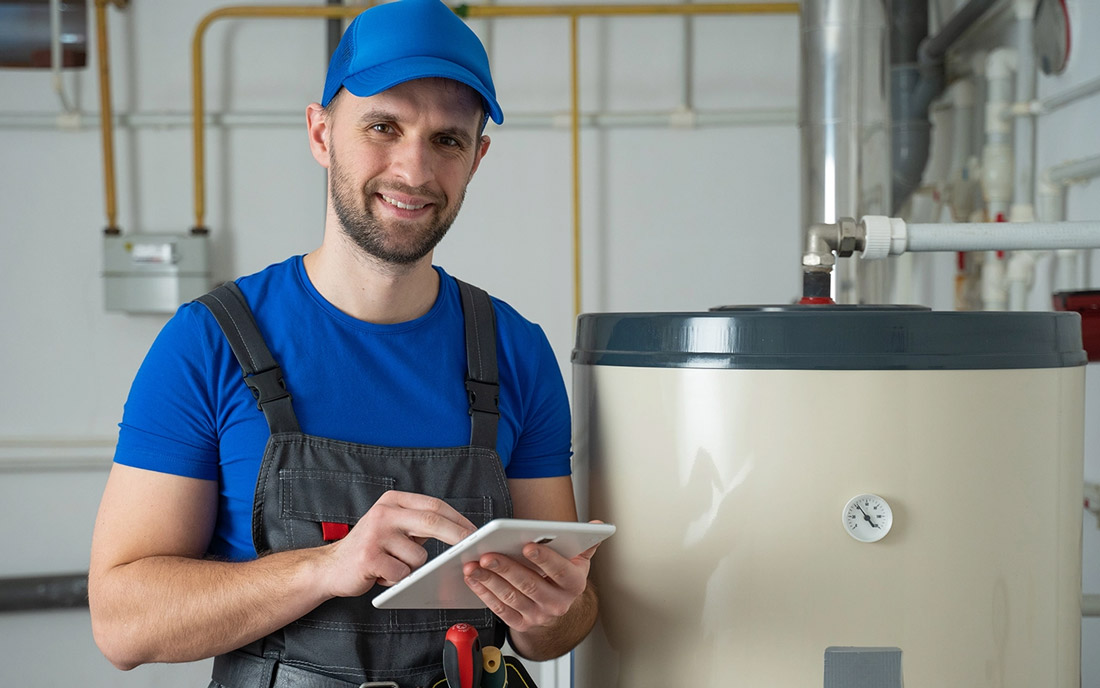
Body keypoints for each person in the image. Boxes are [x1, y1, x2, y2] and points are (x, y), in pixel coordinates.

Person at [88, 1, 600, 686]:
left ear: (476, 159)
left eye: (447, 140)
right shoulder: (207, 344)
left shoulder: (516, 352)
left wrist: (551, 612)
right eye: (383, 127)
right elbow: (121, 625)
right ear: (321, 133)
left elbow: (557, 628)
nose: (414, 171)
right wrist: (327, 568)